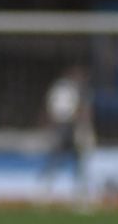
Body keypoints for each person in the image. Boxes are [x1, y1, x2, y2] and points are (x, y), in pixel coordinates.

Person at [39, 63, 93, 203]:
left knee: (78, 160)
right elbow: (57, 109)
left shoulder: (76, 89)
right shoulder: (65, 89)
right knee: (57, 158)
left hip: (72, 127)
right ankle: (46, 189)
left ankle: (79, 191)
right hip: (64, 126)